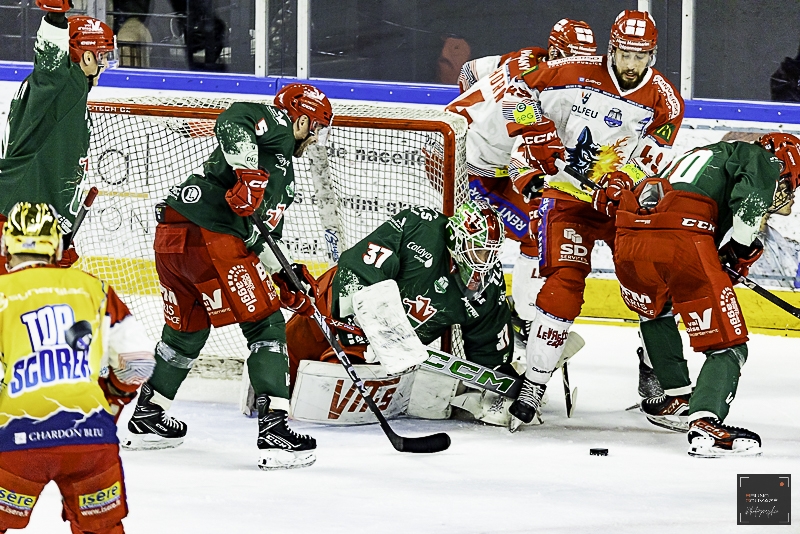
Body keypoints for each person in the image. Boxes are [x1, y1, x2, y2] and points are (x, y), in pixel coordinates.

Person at [448, 10, 684, 427]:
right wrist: (535, 134)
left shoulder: (665, 101)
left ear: (652, 55)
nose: (632, 65)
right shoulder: (572, 71)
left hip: (619, 203)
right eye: (625, 54)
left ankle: (657, 379)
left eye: (641, 56)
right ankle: (533, 381)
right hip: (562, 196)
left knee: (652, 282)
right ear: (612, 49)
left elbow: (651, 159)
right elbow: (517, 92)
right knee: (562, 283)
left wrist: (621, 181)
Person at [123, 84, 333, 471]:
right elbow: (235, 117)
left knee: (186, 330)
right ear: (302, 119)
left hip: (174, 237)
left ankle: (149, 415)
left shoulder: (283, 177)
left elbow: (261, 238)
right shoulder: (279, 127)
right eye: (317, 127)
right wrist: (249, 175)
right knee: (265, 324)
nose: (315, 137)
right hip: (212, 235)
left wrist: (287, 277)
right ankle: (275, 430)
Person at [610, 133, 800, 457]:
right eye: (791, 185)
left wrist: (720, 256)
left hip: (629, 237)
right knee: (728, 345)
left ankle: (675, 398)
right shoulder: (764, 158)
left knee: (656, 312)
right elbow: (749, 206)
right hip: (681, 239)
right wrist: (739, 248)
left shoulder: (703, 154)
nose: (789, 194)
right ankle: (706, 423)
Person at [282, 199, 516, 425]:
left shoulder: (489, 283)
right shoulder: (420, 226)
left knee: (324, 399)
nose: (484, 262)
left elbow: (490, 340)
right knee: (283, 369)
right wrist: (371, 324)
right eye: (478, 250)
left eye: (490, 253)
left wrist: (497, 381)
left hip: (381, 355)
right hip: (333, 308)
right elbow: (359, 266)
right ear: (456, 236)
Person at [0, 202, 155, 533]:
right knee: (101, 529)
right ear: (57, 247)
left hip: (18, 438)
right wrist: (112, 399)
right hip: (90, 436)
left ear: (6, 247)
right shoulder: (92, 287)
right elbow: (138, 361)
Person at [0, 1, 117, 273]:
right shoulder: (64, 83)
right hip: (17, 221)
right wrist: (56, 16)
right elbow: (49, 61)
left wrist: (59, 232)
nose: (105, 63)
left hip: (31, 222)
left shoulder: (65, 95)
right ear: (86, 56)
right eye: (101, 55)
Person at [458, 18, 597, 93]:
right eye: (574, 58)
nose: (581, 66)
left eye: (587, 59)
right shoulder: (532, 77)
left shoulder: (534, 54)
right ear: (553, 52)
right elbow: (469, 72)